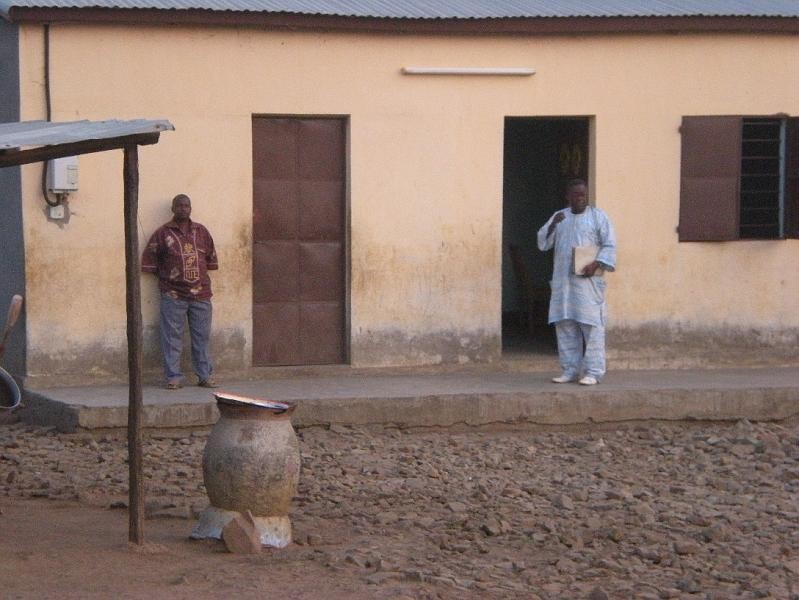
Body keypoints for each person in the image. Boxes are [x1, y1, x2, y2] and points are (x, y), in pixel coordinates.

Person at [537, 179, 616, 385]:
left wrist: (597, 263)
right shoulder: (559, 216)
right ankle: (570, 370)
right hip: (563, 283)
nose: (580, 198)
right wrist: (553, 224)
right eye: (576, 195)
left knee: (591, 326)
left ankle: (593, 371)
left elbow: (609, 245)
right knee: (565, 324)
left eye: (583, 194)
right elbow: (543, 243)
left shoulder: (598, 217)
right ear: (568, 196)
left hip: (587, 283)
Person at [142, 194, 219, 390]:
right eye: (180, 205)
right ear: (173, 208)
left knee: (201, 337)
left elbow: (210, 259)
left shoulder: (201, 232)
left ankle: (204, 376)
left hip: (201, 295)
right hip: (172, 295)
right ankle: (173, 377)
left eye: (187, 205)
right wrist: (167, 278)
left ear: (190, 208)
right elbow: (149, 261)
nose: (184, 208)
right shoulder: (162, 233)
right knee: (171, 337)